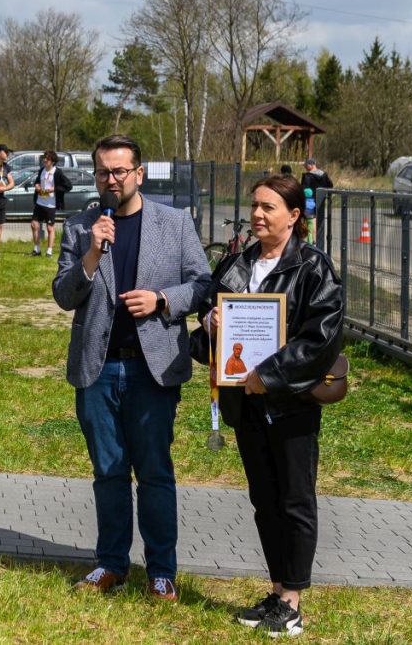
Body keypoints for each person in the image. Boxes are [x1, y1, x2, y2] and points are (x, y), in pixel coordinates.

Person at [52, 134, 210, 601]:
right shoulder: (80, 227)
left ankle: (161, 572)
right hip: (98, 369)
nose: (112, 179)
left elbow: (203, 284)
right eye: (103, 172)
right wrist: (91, 254)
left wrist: (161, 299)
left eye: (120, 171)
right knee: (109, 471)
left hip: (152, 370)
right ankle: (111, 564)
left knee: (155, 472)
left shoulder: (174, 223)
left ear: (139, 173)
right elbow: (63, 295)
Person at [193, 174, 344, 637]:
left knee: (294, 499)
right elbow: (207, 336)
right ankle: (277, 591)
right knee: (264, 500)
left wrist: (270, 375)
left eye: (268, 207)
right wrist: (210, 324)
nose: (257, 214)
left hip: (291, 405)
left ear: (294, 215)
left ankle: (293, 603)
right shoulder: (235, 265)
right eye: (255, 205)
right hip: (246, 405)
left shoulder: (314, 268)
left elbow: (322, 339)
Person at [30, 150, 72, 257]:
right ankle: (36, 250)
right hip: (40, 202)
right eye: (44, 158)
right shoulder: (42, 170)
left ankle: (49, 251)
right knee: (34, 225)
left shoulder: (57, 172)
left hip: (50, 205)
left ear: (52, 161)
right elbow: (37, 182)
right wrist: (37, 186)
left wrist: (54, 189)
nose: (44, 160)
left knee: (49, 228)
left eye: (47, 159)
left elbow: (68, 186)